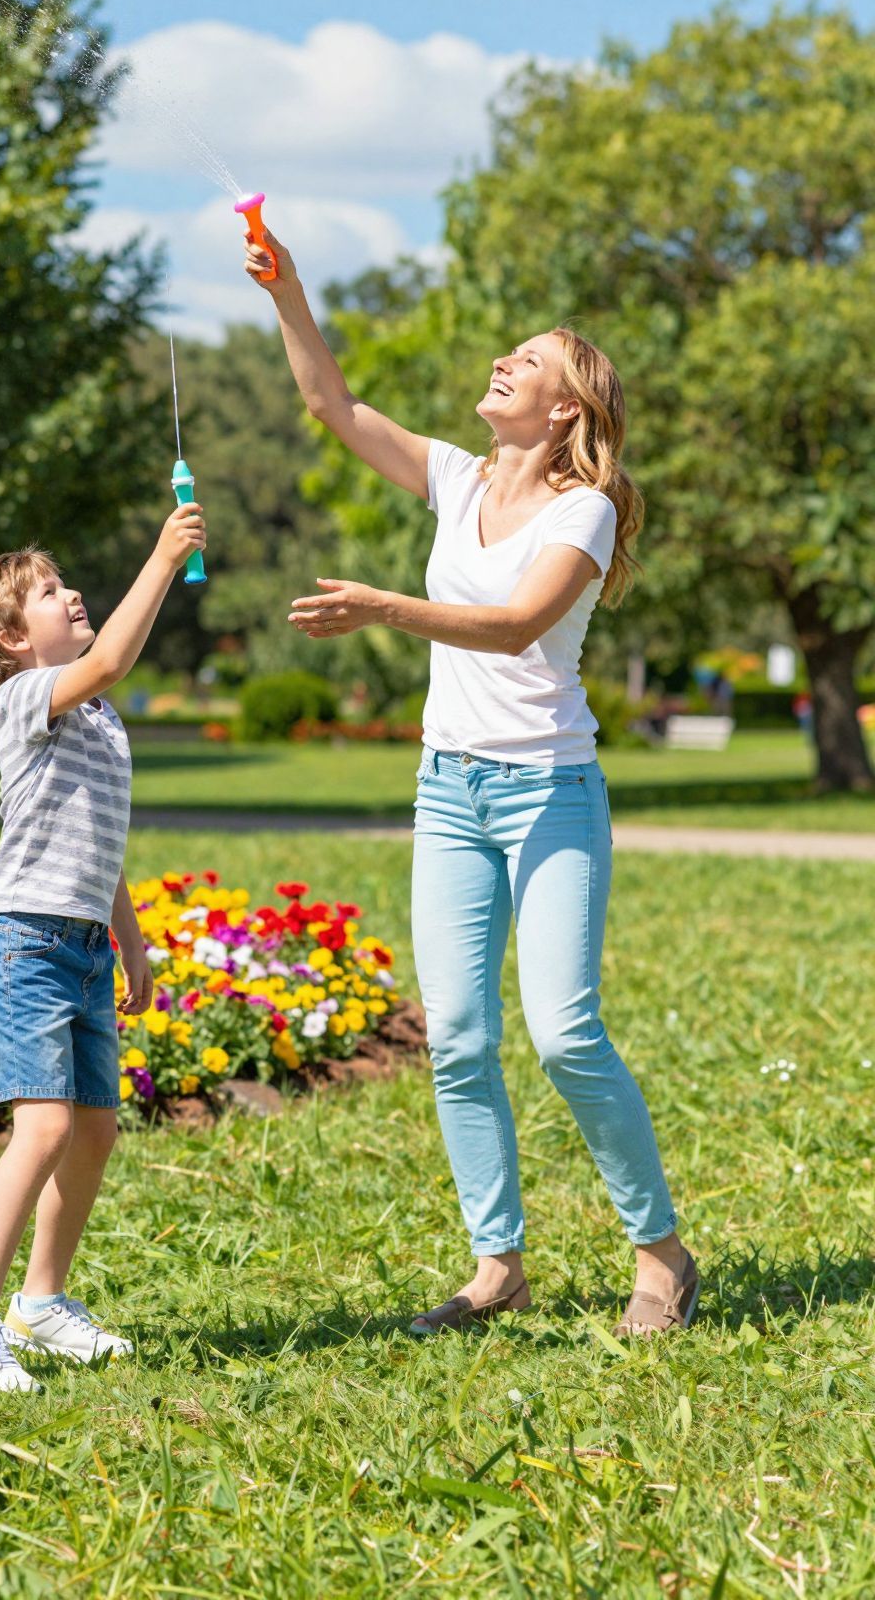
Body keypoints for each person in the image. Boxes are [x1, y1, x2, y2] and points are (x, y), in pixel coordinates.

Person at [244, 223, 697, 1339]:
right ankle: (498, 1266)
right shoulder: (457, 476)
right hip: (448, 789)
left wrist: (384, 607)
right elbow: (333, 408)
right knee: (454, 1034)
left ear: (566, 411)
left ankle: (662, 1254)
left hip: (549, 791)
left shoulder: (585, 511)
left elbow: (515, 624)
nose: (503, 361)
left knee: (565, 1033)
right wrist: (289, 292)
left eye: (527, 361)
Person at [0, 498, 206, 1391]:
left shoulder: (100, 720)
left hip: (83, 944)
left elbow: (100, 841)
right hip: (27, 943)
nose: (72, 593)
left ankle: (41, 1304)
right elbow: (113, 657)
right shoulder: (22, 701)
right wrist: (162, 558)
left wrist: (130, 941)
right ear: (13, 640)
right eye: (50, 592)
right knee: (44, 1126)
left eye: (63, 582)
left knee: (93, 1130)